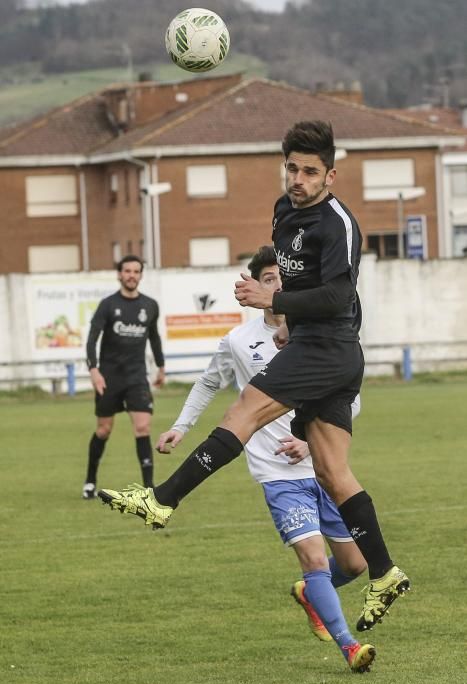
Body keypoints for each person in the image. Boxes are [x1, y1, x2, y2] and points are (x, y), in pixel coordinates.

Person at [99, 121, 409, 633]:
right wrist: (288, 322)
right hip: (313, 343)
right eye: (292, 168)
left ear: (331, 175)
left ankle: (161, 500)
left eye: (311, 171)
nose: (299, 179)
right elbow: (301, 280)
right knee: (332, 471)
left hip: (329, 348)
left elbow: (336, 296)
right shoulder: (284, 211)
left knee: (243, 409)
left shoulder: (339, 225)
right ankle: (383, 571)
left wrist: (274, 302)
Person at [155, 246, 374, 672]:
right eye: (269, 279)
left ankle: (311, 593)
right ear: (255, 284)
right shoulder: (238, 341)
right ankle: (349, 646)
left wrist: (312, 443)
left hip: (325, 467)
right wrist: (181, 427)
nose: (278, 286)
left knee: (356, 564)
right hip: (277, 474)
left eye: (284, 279)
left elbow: (353, 399)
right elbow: (207, 384)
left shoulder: (319, 337)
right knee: (313, 559)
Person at [82, 254, 165, 498]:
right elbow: (92, 338)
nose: (131, 275)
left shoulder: (150, 305)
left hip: (136, 377)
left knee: (142, 427)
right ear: (119, 274)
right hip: (109, 377)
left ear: (140, 275)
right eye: (127, 271)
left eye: (136, 271)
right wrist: (94, 370)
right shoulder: (108, 305)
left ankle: (149, 489)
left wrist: (161, 367)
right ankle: (89, 481)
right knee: (104, 430)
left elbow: (154, 337)